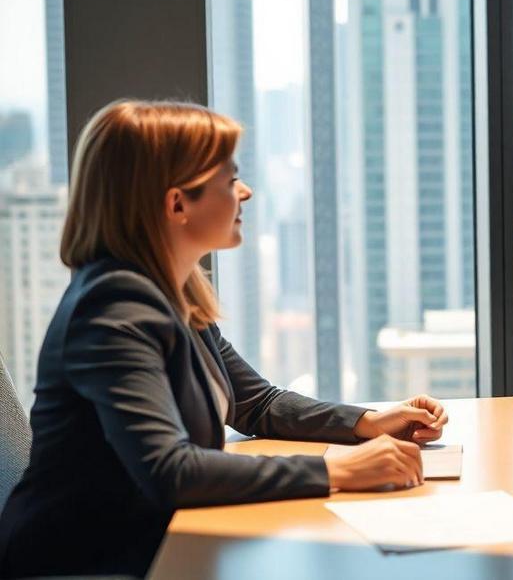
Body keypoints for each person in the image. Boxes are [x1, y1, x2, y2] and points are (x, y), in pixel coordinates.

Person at [0, 101, 450, 578]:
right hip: (84, 564)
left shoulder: (169, 289)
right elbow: (171, 473)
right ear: (177, 204)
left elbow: (254, 403)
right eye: (230, 180)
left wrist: (369, 422)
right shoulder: (112, 312)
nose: (246, 192)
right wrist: (340, 472)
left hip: (150, 543)